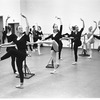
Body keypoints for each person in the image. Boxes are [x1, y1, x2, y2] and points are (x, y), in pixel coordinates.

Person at [0, 14, 29, 89]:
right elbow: (11, 43)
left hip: (22, 53)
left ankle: (0, 59)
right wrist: (2, 45)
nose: (21, 29)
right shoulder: (16, 38)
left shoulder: (24, 36)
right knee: (19, 69)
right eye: (19, 28)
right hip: (18, 55)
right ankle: (21, 84)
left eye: (22, 28)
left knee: (12, 50)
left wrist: (25, 18)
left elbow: (27, 27)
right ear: (17, 30)